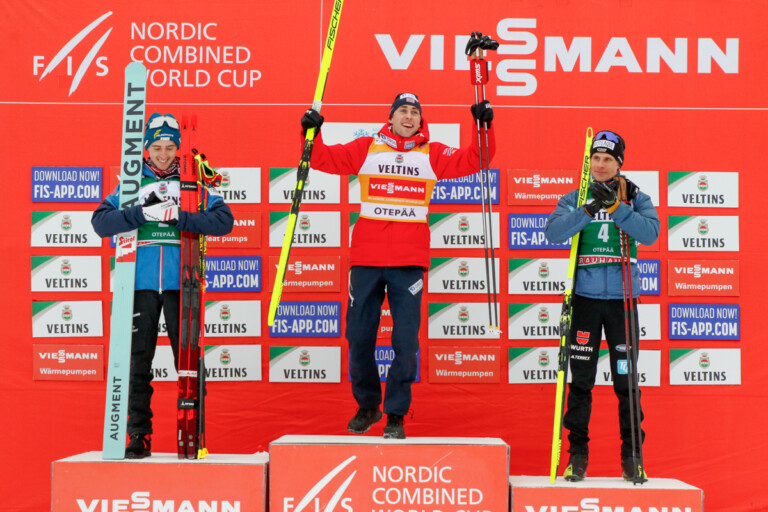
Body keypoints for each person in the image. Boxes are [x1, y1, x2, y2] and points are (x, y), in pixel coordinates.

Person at [300, 92, 496, 439]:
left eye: (415, 113)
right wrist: (311, 133)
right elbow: (323, 160)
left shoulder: (432, 153)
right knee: (359, 336)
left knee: (405, 341)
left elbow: (475, 159)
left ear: (421, 121)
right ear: (390, 118)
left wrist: (483, 126)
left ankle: (395, 414)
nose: (409, 117)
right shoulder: (366, 147)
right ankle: (368, 404)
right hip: (366, 260)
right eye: (403, 111)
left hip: (408, 262)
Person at [92, 113, 234, 458]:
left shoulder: (191, 181)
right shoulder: (130, 185)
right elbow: (101, 222)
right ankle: (139, 435)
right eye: (156, 147)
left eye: (170, 147)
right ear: (145, 149)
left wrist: (179, 217)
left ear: (178, 149)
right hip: (138, 282)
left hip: (181, 282)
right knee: (137, 361)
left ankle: (193, 433)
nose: (163, 154)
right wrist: (143, 213)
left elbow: (224, 221)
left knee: (187, 360)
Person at [545, 130, 659, 481]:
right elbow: (553, 232)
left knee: (626, 383)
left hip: (622, 303)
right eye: (596, 158)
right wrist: (590, 207)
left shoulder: (636, 197)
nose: (600, 164)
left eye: (608, 159)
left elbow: (651, 233)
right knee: (581, 381)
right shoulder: (575, 196)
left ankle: (632, 457)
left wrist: (615, 207)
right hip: (585, 302)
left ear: (619, 163)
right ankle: (577, 456)